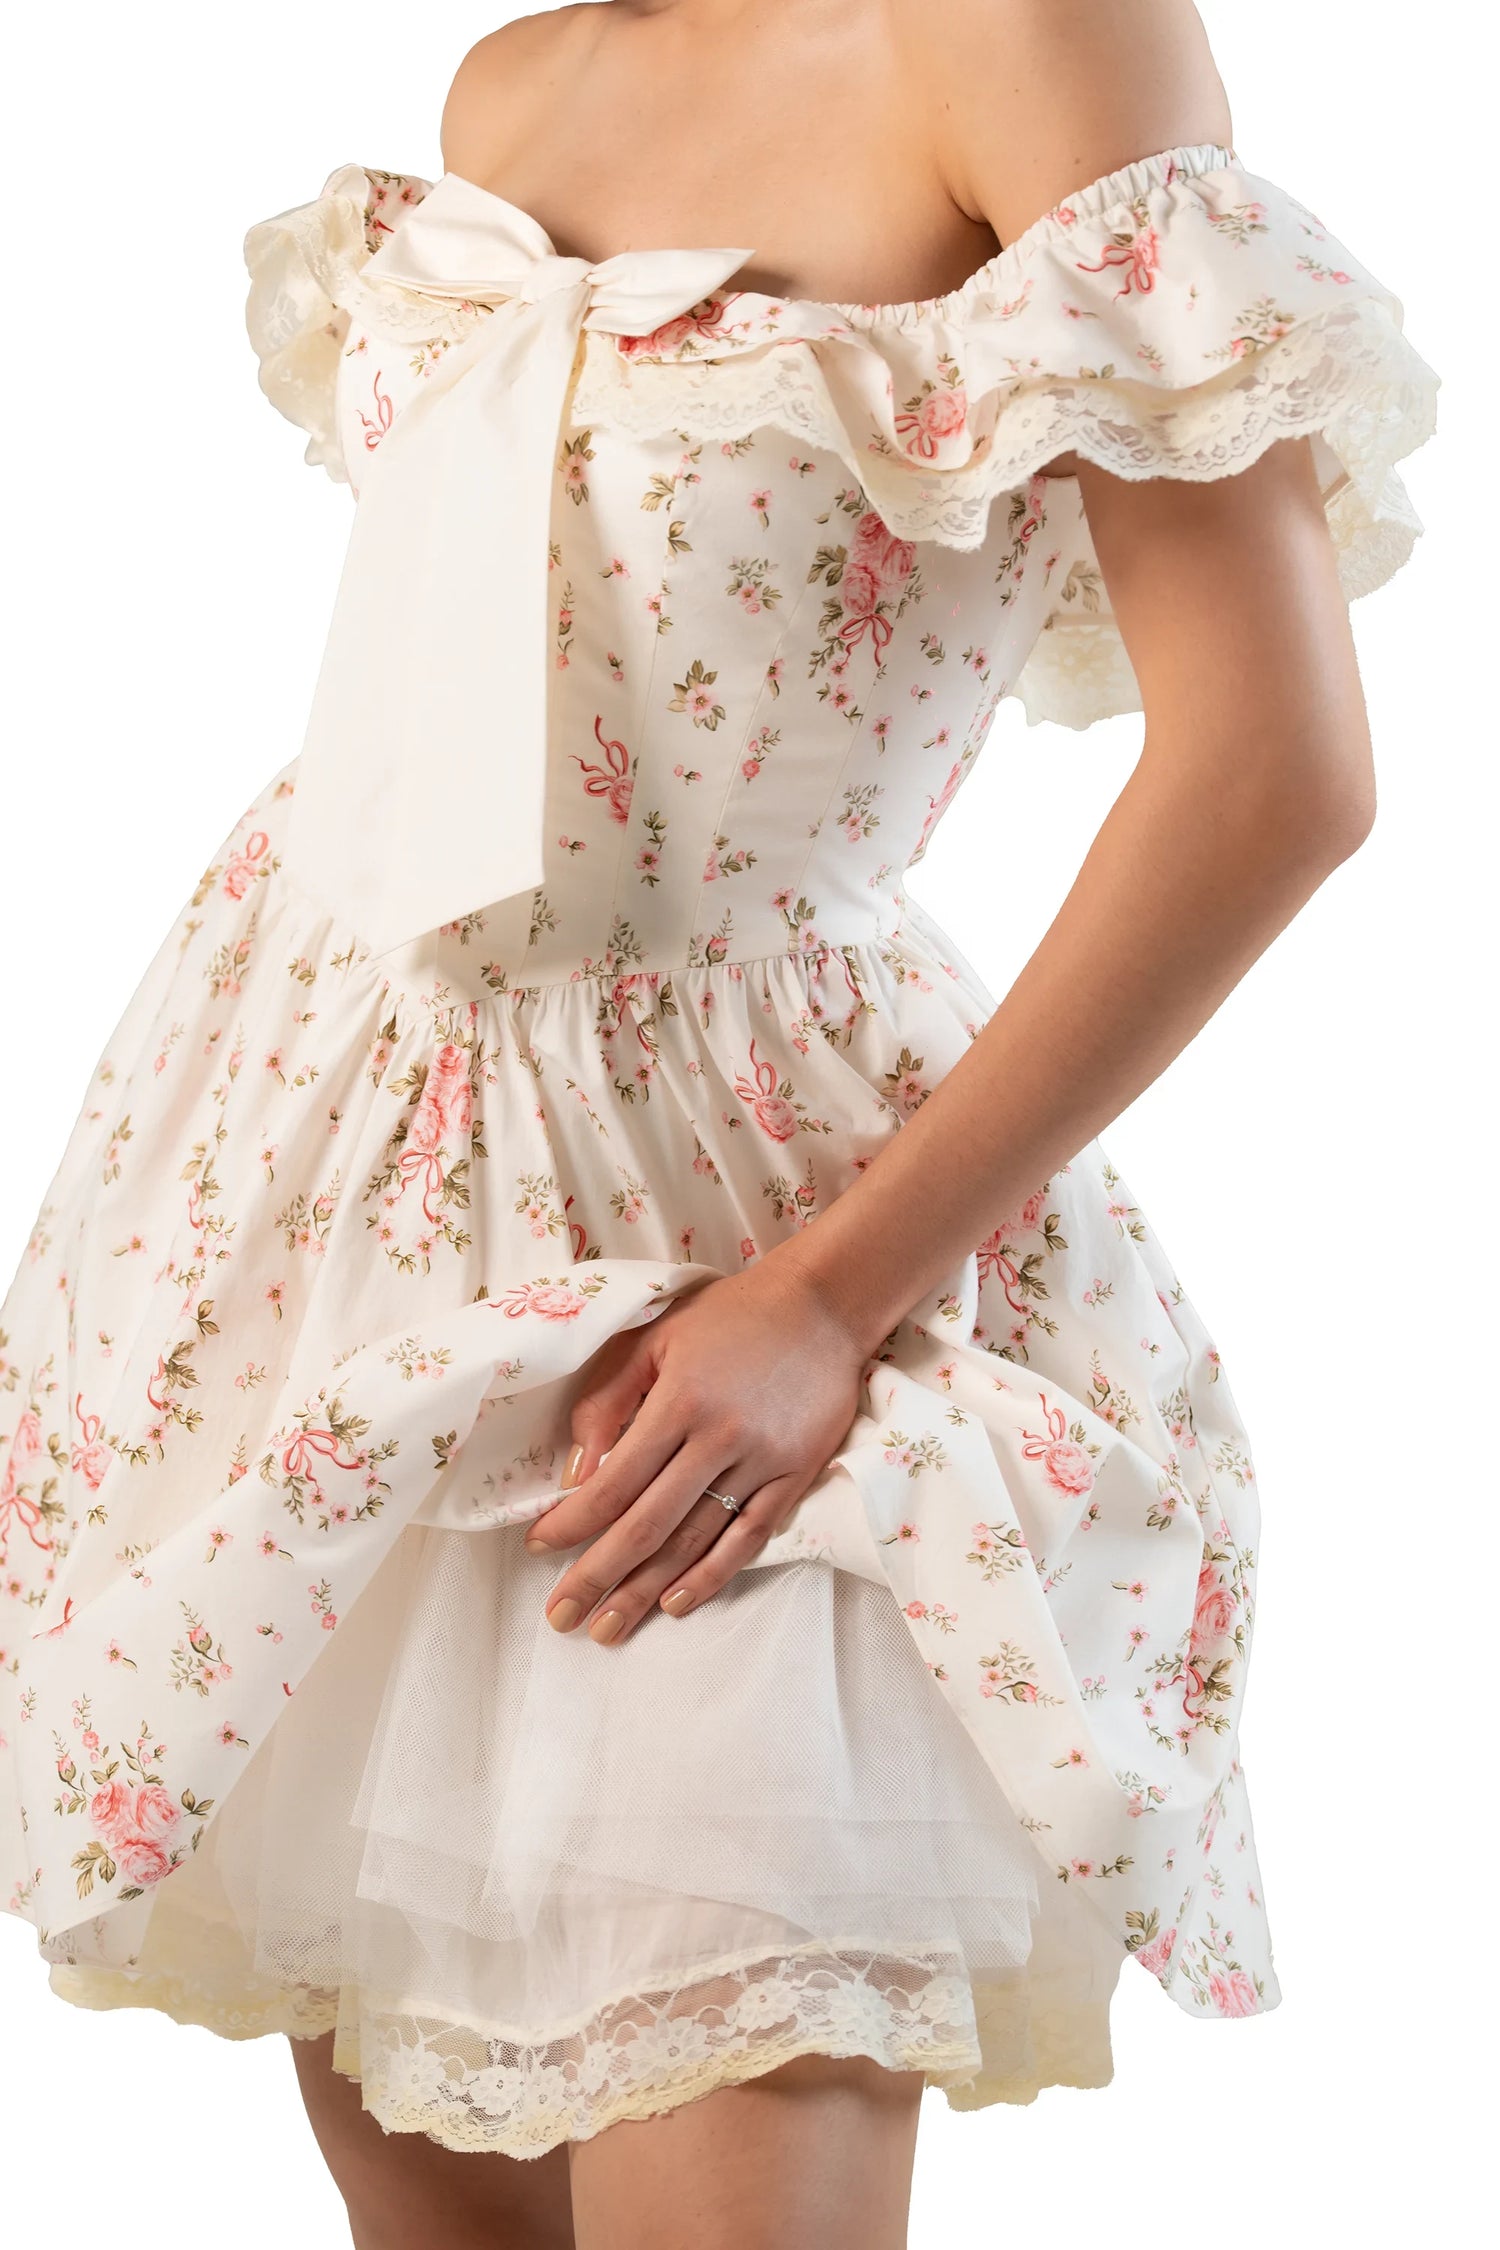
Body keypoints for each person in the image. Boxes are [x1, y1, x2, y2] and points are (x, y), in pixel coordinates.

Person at [0, 2, 1438, 2245]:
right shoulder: (514, 86)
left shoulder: (1031, 43)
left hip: (759, 1240)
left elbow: (1277, 775)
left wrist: (824, 1297)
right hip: (332, 1217)